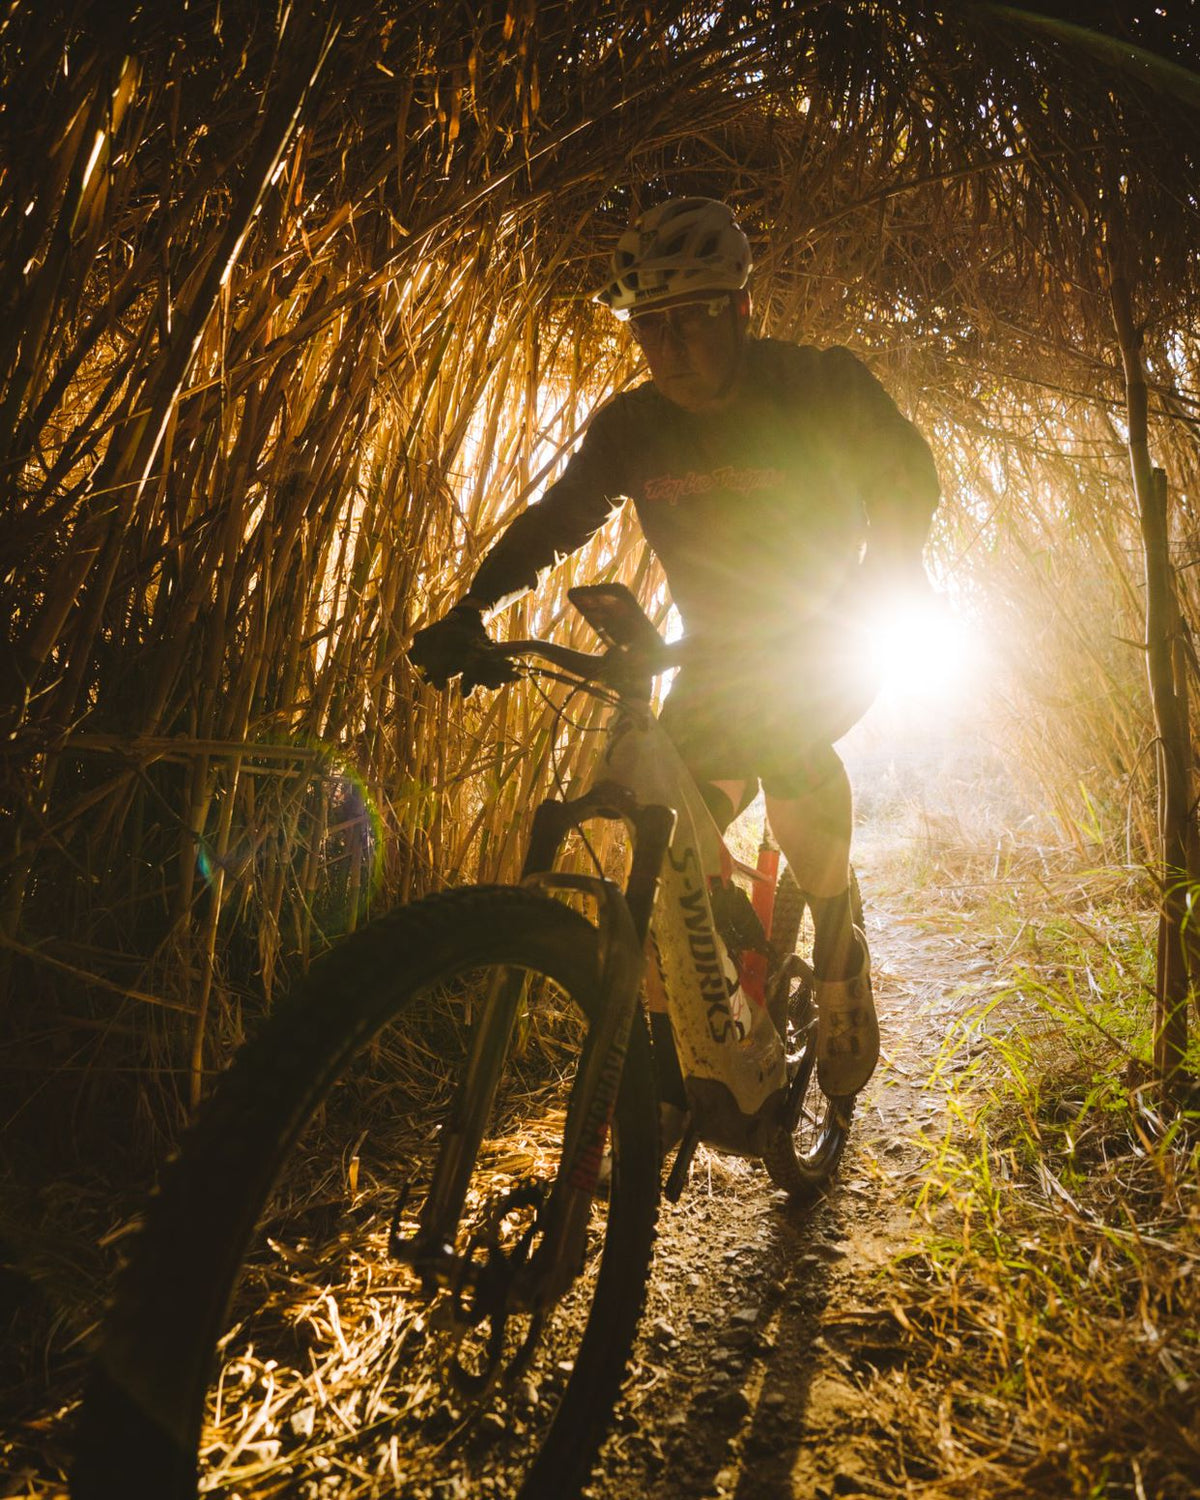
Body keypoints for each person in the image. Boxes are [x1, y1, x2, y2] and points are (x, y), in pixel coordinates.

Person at [410, 197, 940, 1097]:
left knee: (785, 742)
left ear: (739, 309)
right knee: (661, 834)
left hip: (830, 637)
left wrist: (882, 571)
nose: (666, 347)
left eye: (688, 319)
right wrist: (472, 604)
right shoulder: (633, 425)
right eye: (648, 327)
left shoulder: (814, 384)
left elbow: (907, 477)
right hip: (718, 654)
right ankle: (698, 1025)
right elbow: (559, 521)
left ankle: (839, 941)